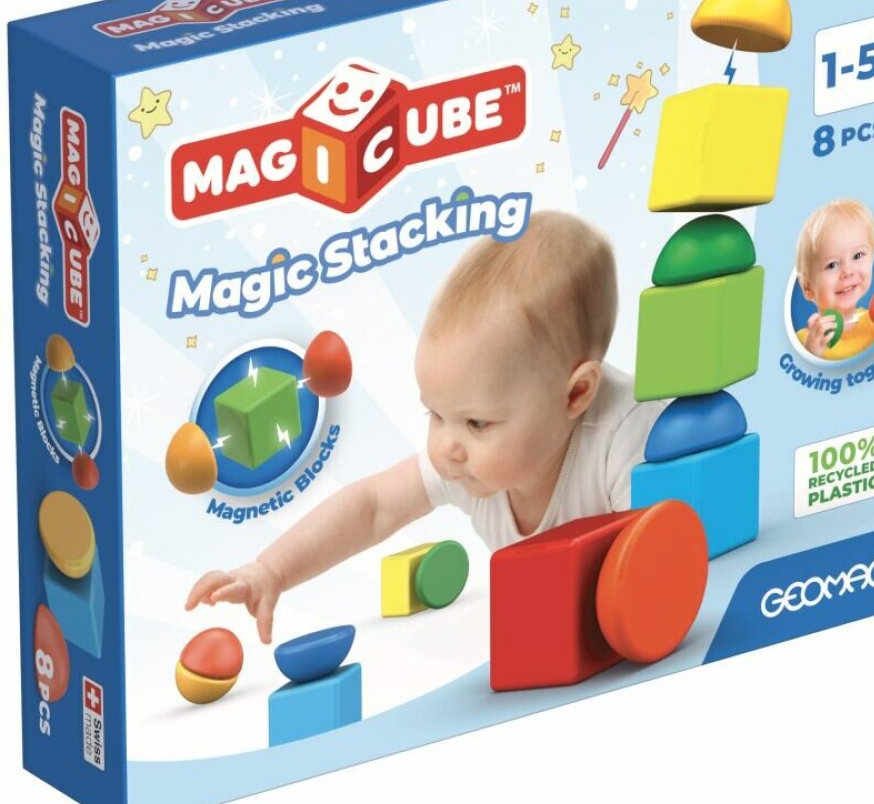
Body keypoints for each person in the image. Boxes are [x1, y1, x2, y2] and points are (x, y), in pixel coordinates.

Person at [186, 211, 665, 643]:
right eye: (434, 415)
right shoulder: (469, 461)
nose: (447, 446)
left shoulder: (626, 437)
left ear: (575, 395)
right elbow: (372, 507)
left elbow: (661, 567)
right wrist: (271, 570)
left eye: (477, 422)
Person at [795, 198, 874, 360]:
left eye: (857, 256)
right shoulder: (804, 342)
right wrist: (810, 355)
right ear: (808, 287)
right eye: (832, 265)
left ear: (872, 259)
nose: (848, 272)